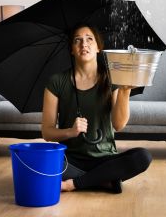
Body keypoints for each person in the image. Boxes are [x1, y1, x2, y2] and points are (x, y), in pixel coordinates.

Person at [42, 23, 152, 193]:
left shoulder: (112, 78)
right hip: (69, 160)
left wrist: (125, 90)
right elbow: (47, 132)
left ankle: (75, 184)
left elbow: (118, 124)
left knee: (142, 157)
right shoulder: (56, 81)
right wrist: (70, 132)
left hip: (105, 158)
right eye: (77, 40)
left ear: (99, 47)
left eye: (89, 39)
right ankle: (102, 179)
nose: (83, 44)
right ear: (71, 49)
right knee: (42, 161)